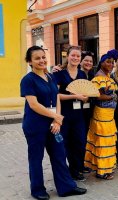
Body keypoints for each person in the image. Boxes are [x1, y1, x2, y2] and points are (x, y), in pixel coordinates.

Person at [21, 46, 86, 200]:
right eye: (37, 58)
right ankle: (37, 190)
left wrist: (57, 118)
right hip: (35, 125)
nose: (41, 60)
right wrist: (55, 116)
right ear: (30, 61)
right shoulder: (28, 80)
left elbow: (56, 97)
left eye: (43, 57)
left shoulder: (50, 77)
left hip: (53, 124)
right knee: (36, 158)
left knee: (59, 154)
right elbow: (34, 105)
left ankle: (66, 187)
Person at [53, 46, 88, 181]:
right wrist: (74, 96)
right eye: (73, 55)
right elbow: (55, 95)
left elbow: (85, 94)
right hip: (64, 114)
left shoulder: (82, 74)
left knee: (79, 142)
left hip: (79, 115)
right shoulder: (59, 74)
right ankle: (68, 171)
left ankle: (77, 169)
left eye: (78, 56)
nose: (75, 58)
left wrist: (84, 97)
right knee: (65, 144)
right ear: (67, 56)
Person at [84, 51, 118, 180]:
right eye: (108, 62)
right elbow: (97, 95)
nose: (110, 64)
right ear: (101, 63)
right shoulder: (98, 78)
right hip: (101, 114)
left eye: (112, 62)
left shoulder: (108, 76)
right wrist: (111, 96)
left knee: (107, 140)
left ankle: (103, 167)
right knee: (102, 141)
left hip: (109, 115)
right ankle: (101, 171)